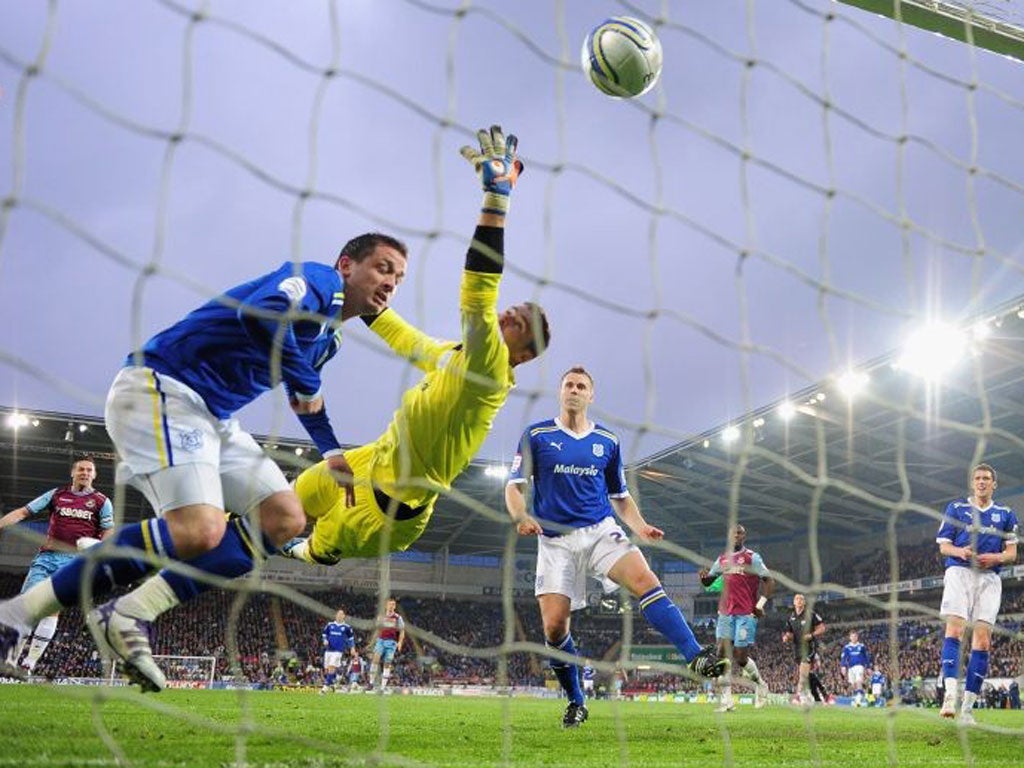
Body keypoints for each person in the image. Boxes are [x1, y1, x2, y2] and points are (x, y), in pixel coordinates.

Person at [0, 228, 407, 690]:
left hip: (215, 417)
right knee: (200, 528)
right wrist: (309, 386)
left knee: (284, 517)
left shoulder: (329, 342)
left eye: (399, 278)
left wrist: (331, 450)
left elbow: (302, 396)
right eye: (383, 268)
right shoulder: (316, 280)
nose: (391, 283)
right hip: (163, 387)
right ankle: (17, 614)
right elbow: (264, 315)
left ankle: (132, 611)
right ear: (347, 265)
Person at [281, 124, 549, 566]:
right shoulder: (454, 357)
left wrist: (496, 199)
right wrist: (351, 282)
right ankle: (228, 539)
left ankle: (301, 552)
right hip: (367, 461)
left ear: (520, 357)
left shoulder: (489, 375)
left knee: (313, 549)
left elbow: (478, 293)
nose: (504, 315)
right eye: (511, 310)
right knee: (284, 506)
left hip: (384, 512)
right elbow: (402, 336)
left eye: (515, 323)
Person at [505, 366, 726, 729]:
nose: (574, 390)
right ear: (560, 393)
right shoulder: (537, 435)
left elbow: (620, 496)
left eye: (581, 386)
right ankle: (577, 701)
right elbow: (514, 486)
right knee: (555, 628)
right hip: (555, 541)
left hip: (599, 531)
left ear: (591, 396)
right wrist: (520, 517)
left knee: (646, 579)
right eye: (568, 385)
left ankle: (695, 656)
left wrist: (640, 526)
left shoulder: (606, 441)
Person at [0, 456, 113, 677]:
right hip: (46, 558)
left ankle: (28, 664)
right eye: (81, 469)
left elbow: (108, 530)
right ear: (73, 472)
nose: (85, 473)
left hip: (74, 562)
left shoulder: (101, 501)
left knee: (51, 611)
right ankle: (10, 663)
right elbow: (24, 512)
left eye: (89, 470)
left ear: (95, 475)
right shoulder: (56, 495)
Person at [936, 462, 1018, 724]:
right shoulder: (956, 509)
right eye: (978, 478)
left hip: (990, 578)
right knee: (955, 630)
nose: (982, 482)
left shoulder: (1006, 514)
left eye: (987, 479)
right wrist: (960, 552)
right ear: (973, 483)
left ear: (994, 484)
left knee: (982, 641)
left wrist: (996, 557)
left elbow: (1012, 553)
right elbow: (944, 547)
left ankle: (968, 710)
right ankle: (950, 695)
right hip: (959, 572)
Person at [698, 523, 775, 712]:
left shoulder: (752, 558)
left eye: (739, 533)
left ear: (744, 537)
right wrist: (704, 578)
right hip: (725, 613)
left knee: (741, 658)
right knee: (722, 655)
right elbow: (710, 580)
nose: (736, 536)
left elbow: (769, 580)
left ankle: (760, 684)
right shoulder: (722, 559)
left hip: (746, 613)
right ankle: (726, 701)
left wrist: (760, 605)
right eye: (733, 533)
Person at [782, 593, 826, 707]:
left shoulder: (810, 614)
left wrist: (811, 635)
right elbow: (789, 633)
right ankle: (807, 695)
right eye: (796, 599)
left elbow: (822, 628)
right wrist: (786, 638)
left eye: (801, 599)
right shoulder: (791, 617)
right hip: (797, 648)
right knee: (804, 674)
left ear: (804, 602)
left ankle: (799, 696)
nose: (799, 600)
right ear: (793, 603)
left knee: (803, 673)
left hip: (809, 647)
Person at [368, 597, 404, 691]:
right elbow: (378, 630)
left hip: (391, 642)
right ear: (386, 605)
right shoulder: (381, 617)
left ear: (395, 606)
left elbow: (402, 631)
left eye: (393, 604)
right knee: (375, 659)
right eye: (389, 604)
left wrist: (400, 642)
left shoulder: (398, 618)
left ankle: (383, 687)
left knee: (387, 663)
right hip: (381, 640)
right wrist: (372, 642)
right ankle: (371, 683)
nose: (391, 606)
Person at [321, 608, 355, 694]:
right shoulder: (330, 625)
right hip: (328, 650)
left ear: (344, 616)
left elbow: (351, 639)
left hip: (338, 651)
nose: (339, 615)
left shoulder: (347, 627)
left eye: (341, 614)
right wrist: (325, 640)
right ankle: (333, 681)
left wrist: (352, 648)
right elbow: (324, 634)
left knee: (332, 666)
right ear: (336, 615)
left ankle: (325, 688)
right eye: (338, 614)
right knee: (327, 669)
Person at [840, 630, 871, 706]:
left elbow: (866, 657)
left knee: (859, 681)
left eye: (855, 636)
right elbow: (844, 657)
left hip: (859, 666)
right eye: (852, 636)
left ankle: (859, 699)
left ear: (857, 637)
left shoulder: (861, 646)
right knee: (853, 684)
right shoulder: (847, 647)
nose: (854, 638)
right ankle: (862, 696)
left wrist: (868, 667)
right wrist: (843, 666)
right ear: (850, 637)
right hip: (851, 668)